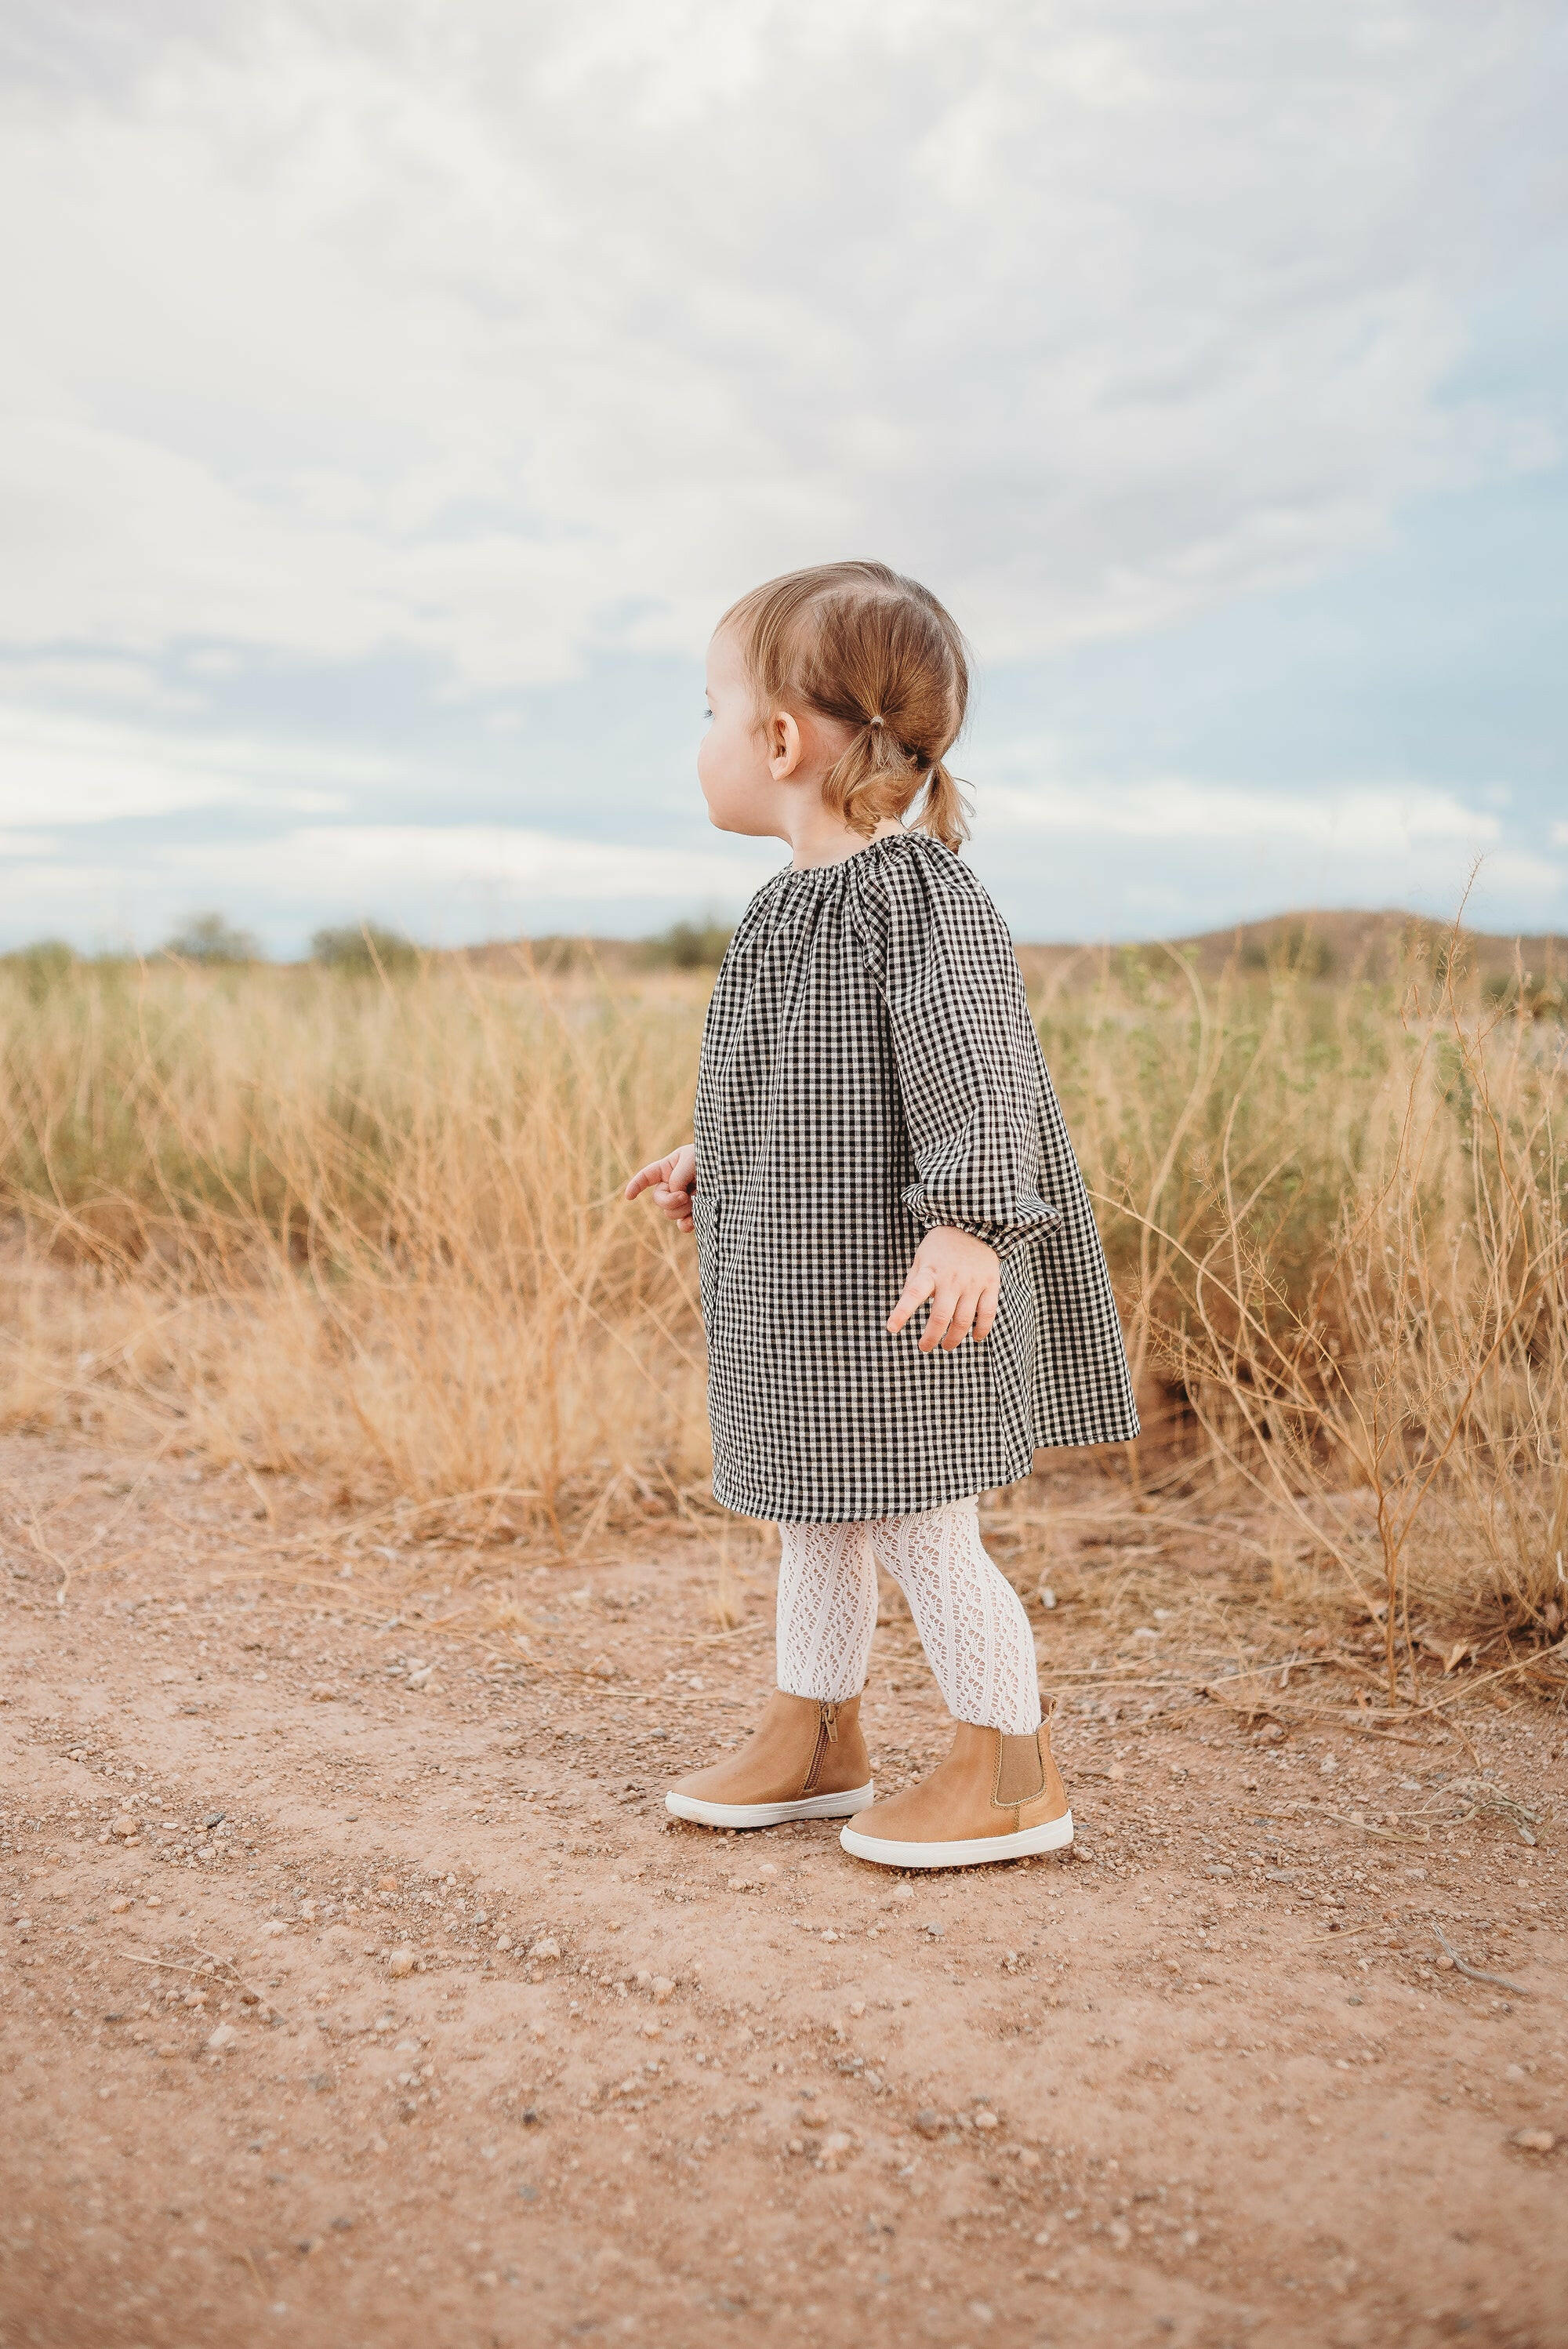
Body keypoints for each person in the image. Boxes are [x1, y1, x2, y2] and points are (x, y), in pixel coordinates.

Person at [626, 561, 1138, 1869]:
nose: (703, 737)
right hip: (805, 1283)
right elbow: (797, 1070)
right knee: (815, 1508)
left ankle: (1009, 1766)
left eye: (709, 709)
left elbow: (979, 1071)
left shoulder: (917, 896)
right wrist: (713, 1154)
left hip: (902, 1290)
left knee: (920, 1515)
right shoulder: (788, 907)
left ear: (782, 740)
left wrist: (973, 1222)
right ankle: (817, 1737)